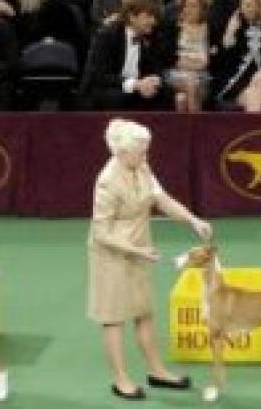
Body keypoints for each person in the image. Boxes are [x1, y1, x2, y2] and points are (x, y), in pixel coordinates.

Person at [89, 118, 212, 401]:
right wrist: (136, 251)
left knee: (144, 311)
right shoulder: (107, 181)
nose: (146, 156)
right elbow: (101, 231)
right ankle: (121, 380)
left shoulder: (142, 167)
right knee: (114, 317)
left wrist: (192, 220)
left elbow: (163, 200)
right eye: (141, 152)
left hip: (140, 244)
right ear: (121, 153)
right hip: (112, 252)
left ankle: (157, 371)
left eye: (146, 151)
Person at [212, 0, 261, 112]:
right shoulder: (236, 26)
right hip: (237, 81)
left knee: (260, 79)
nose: (243, 9)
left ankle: (251, 130)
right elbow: (222, 63)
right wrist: (229, 35)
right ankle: (259, 130)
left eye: (249, 5)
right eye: (243, 4)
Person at [165, 0, 212, 113]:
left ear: (202, 8)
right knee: (190, 83)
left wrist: (199, 65)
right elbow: (168, 57)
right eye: (186, 5)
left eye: (193, 6)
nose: (188, 10)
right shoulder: (173, 27)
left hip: (203, 76)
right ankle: (198, 130)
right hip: (176, 74)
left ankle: (182, 132)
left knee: (181, 99)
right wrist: (189, 64)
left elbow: (210, 59)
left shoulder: (210, 28)